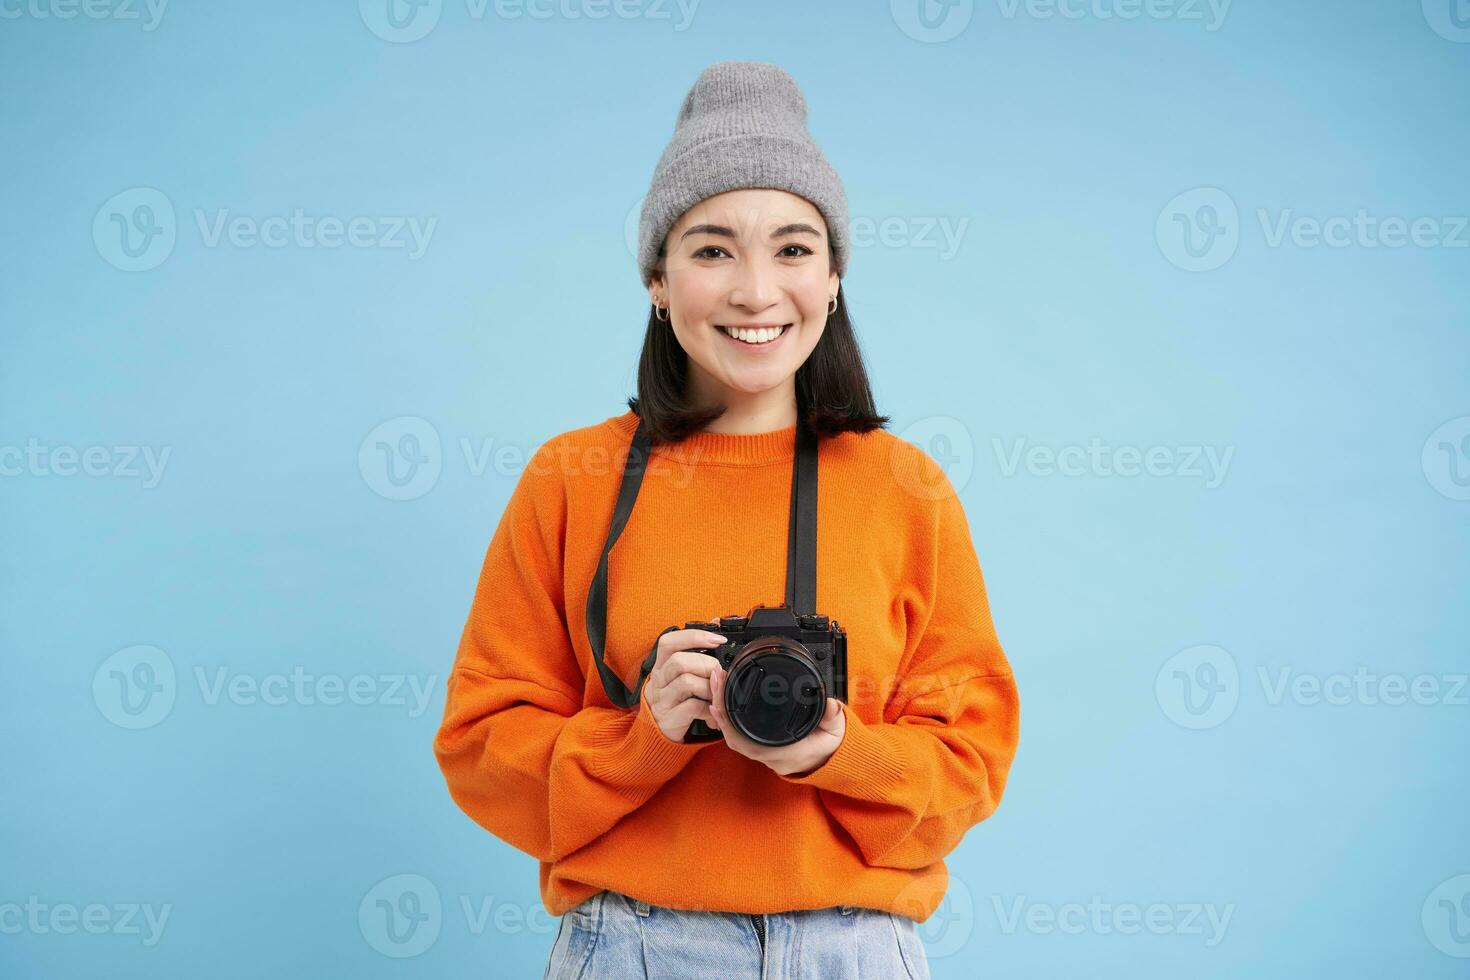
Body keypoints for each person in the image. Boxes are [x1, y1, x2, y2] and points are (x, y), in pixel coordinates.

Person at [432, 60, 1021, 980]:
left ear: (833, 280)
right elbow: (478, 750)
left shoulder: (907, 489)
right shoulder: (571, 478)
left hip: (854, 949)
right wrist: (641, 738)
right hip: (632, 944)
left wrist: (840, 751)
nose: (755, 292)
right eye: (712, 249)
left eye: (792, 249)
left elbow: (972, 766)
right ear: (658, 280)